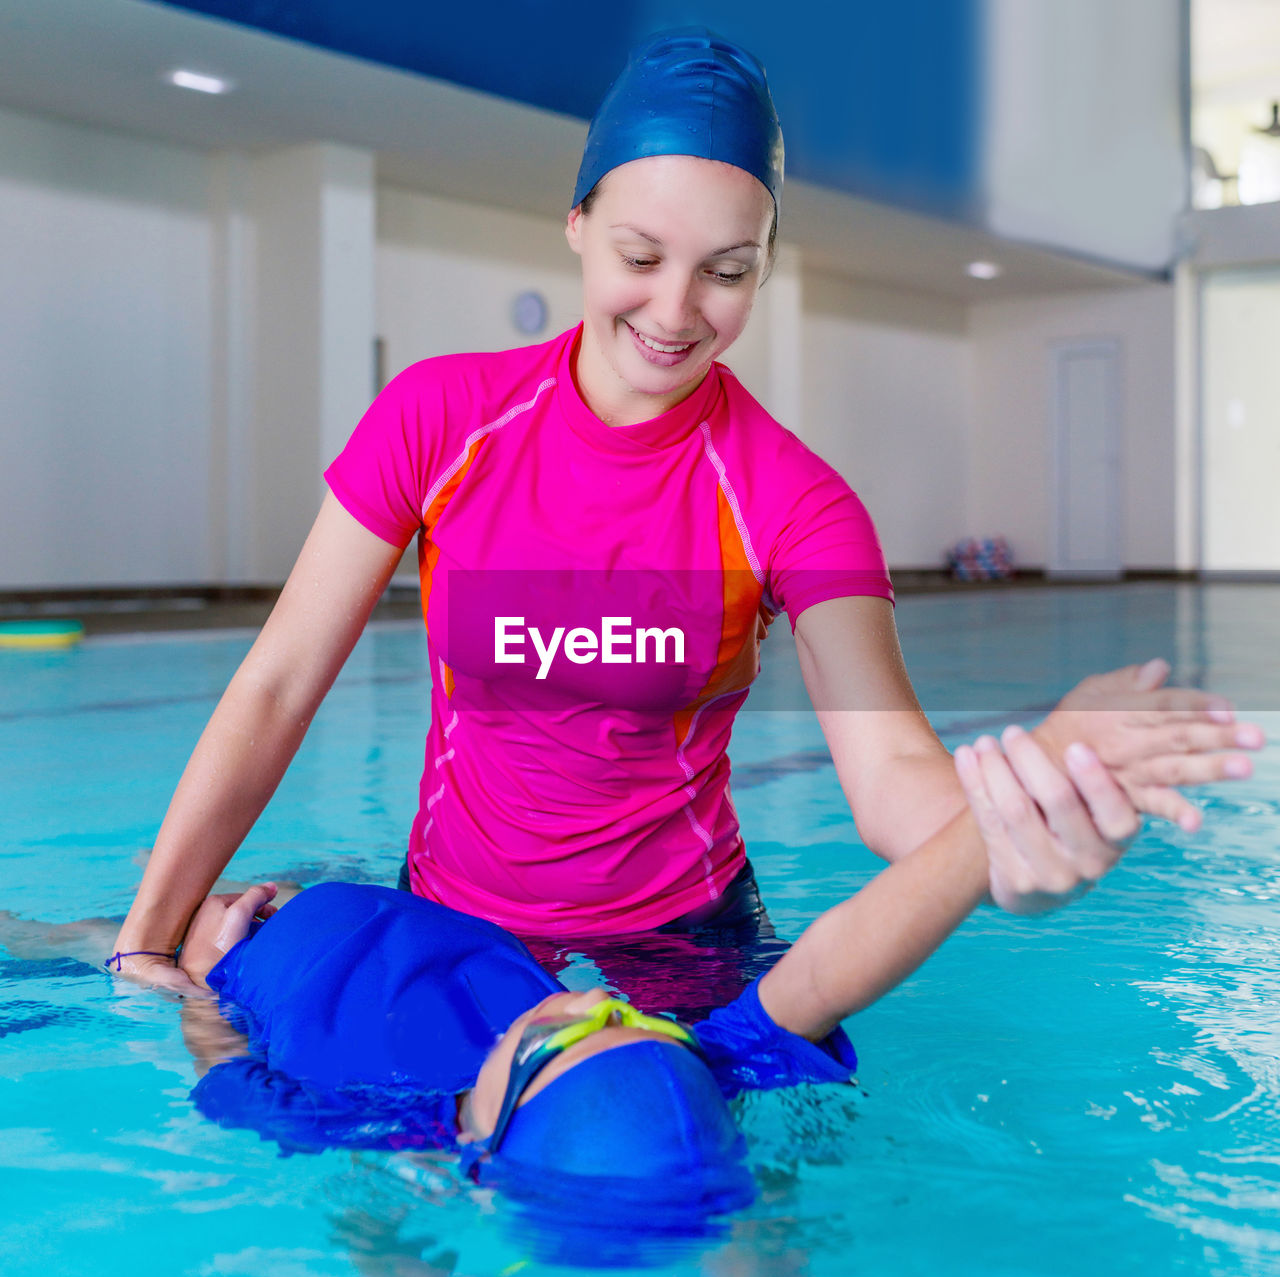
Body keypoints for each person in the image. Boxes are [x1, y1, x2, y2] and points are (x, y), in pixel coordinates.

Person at [108, 30, 1263, 993]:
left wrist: (1013, 827)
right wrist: (142, 945)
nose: (674, 309)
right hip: (453, 912)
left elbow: (891, 777)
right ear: (575, 222)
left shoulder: (794, 499)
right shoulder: (439, 418)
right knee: (390, 1232)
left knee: (725, 1236)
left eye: (726, 269)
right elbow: (275, 685)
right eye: (639, 253)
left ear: (763, 267)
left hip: (683, 936)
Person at [169, 725, 1139, 1232]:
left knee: (107, 936)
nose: (584, 998)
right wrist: (988, 830)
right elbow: (837, 958)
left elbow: (224, 1070)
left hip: (252, 942)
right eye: (631, 1017)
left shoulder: (372, 1124)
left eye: (560, 1036)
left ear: (477, 1137)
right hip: (388, 906)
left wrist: (207, 978)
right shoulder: (683, 1065)